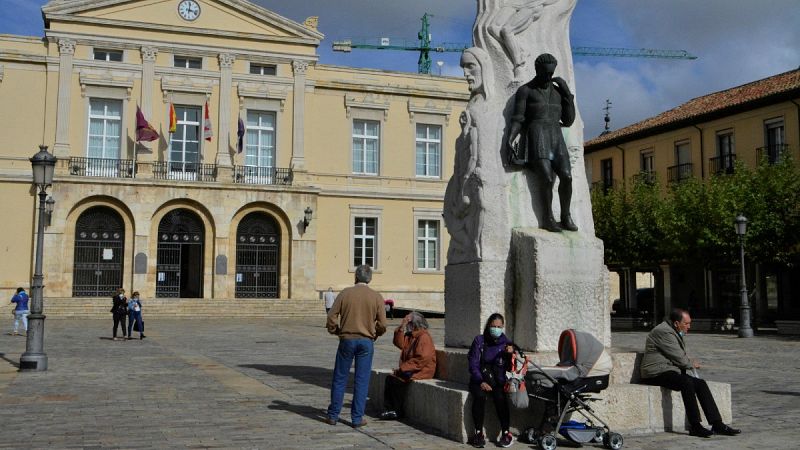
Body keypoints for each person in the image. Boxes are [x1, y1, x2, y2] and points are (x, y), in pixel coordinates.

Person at [640, 308, 741, 438]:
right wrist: (690, 364)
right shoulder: (663, 331)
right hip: (654, 373)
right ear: (676, 323)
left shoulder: (673, 330)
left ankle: (717, 423)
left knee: (700, 383)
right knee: (686, 382)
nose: (689, 326)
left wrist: (687, 362)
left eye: (689, 323)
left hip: (668, 370)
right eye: (686, 323)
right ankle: (695, 426)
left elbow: (679, 356)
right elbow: (679, 357)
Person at [507, 53, 577, 232]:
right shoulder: (526, 90)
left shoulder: (558, 92)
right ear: (537, 70)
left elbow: (568, 121)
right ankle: (547, 218)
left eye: (551, 73)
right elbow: (518, 118)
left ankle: (566, 216)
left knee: (567, 177)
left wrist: (567, 94)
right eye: (545, 73)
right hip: (537, 135)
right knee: (546, 178)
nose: (549, 76)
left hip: (555, 136)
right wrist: (510, 138)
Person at [325, 264, 387, 428]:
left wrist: (336, 330)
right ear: (370, 279)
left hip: (347, 339)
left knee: (340, 378)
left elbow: (331, 316)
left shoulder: (345, 293)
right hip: (366, 341)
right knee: (362, 379)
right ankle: (357, 418)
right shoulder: (376, 296)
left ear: (355, 277)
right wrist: (376, 333)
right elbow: (383, 323)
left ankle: (333, 415)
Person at [467, 313, 515, 448]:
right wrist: (481, 381)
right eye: (493, 326)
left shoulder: (506, 343)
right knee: (480, 396)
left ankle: (506, 432)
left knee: (500, 397)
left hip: (497, 380)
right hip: (480, 378)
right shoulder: (479, 341)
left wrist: (511, 354)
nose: (496, 329)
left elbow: (510, 367)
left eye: (499, 326)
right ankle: (478, 433)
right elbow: (473, 364)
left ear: (503, 327)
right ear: (488, 325)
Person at [379, 311, 437, 421]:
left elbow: (422, 359)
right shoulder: (411, 336)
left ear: (414, 324)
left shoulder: (423, 337)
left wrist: (402, 369)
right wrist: (402, 326)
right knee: (390, 379)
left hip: (421, 369)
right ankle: (390, 409)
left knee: (397, 380)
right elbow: (399, 343)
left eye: (408, 323)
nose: (407, 325)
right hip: (412, 367)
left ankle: (396, 410)